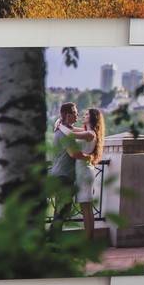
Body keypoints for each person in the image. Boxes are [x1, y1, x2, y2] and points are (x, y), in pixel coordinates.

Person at [57, 107, 104, 241]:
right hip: (82, 171)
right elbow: (71, 130)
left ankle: (88, 241)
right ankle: (89, 239)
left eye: (86, 115)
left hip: (84, 172)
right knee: (86, 208)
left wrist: (60, 125)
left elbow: (70, 134)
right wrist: (59, 123)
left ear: (93, 118)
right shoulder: (87, 132)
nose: (83, 116)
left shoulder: (90, 134)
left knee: (86, 209)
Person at [49, 101, 81, 232]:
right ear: (68, 116)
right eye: (75, 112)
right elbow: (72, 153)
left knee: (62, 209)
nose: (77, 114)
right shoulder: (64, 133)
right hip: (63, 176)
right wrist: (89, 157)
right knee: (63, 209)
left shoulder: (64, 129)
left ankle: (54, 239)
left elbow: (80, 131)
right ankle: (52, 239)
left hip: (59, 174)